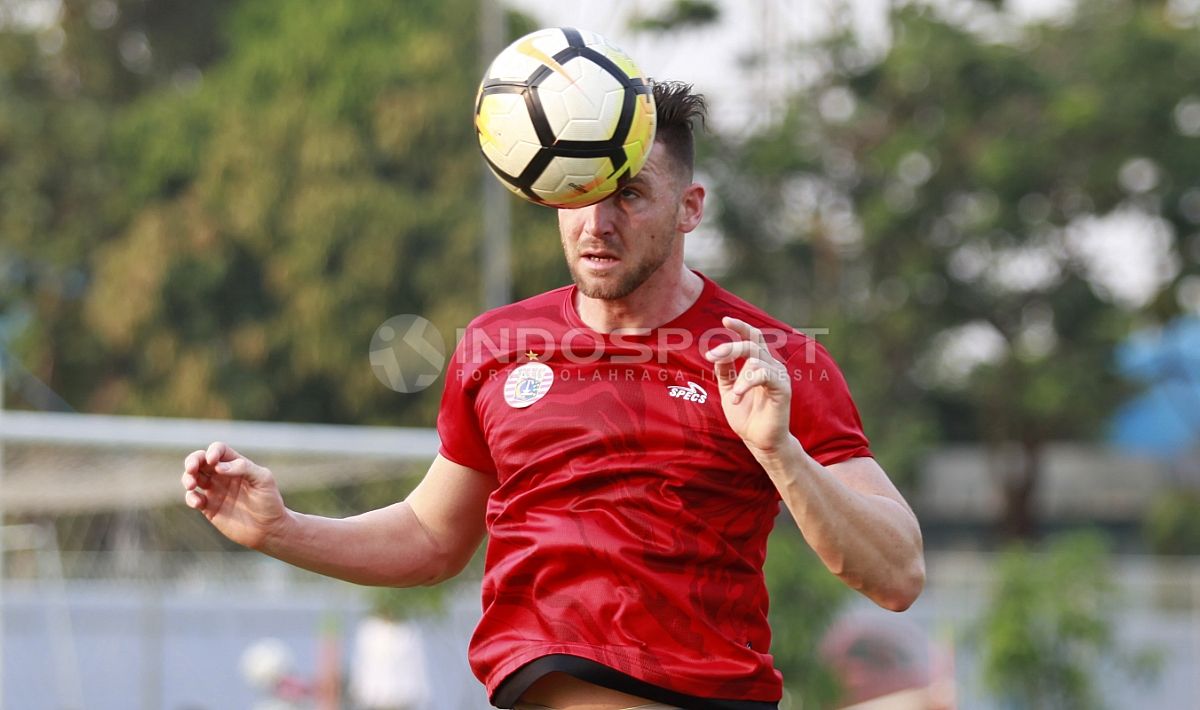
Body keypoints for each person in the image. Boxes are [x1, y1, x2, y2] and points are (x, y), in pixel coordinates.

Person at [181, 81, 925, 710]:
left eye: (630, 195)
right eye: (583, 192)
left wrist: (780, 451)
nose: (598, 223)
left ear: (690, 207)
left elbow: (897, 575)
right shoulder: (494, 345)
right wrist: (280, 529)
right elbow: (433, 538)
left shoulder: (775, 359)